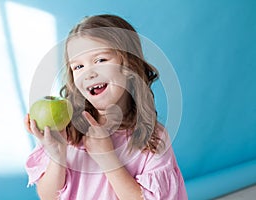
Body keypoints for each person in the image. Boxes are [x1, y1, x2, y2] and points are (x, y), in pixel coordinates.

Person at [24, 14, 187, 200]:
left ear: (129, 65)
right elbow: (48, 196)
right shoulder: (66, 131)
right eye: (78, 67)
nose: (89, 73)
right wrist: (57, 154)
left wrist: (107, 157)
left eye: (100, 60)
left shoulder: (153, 138)